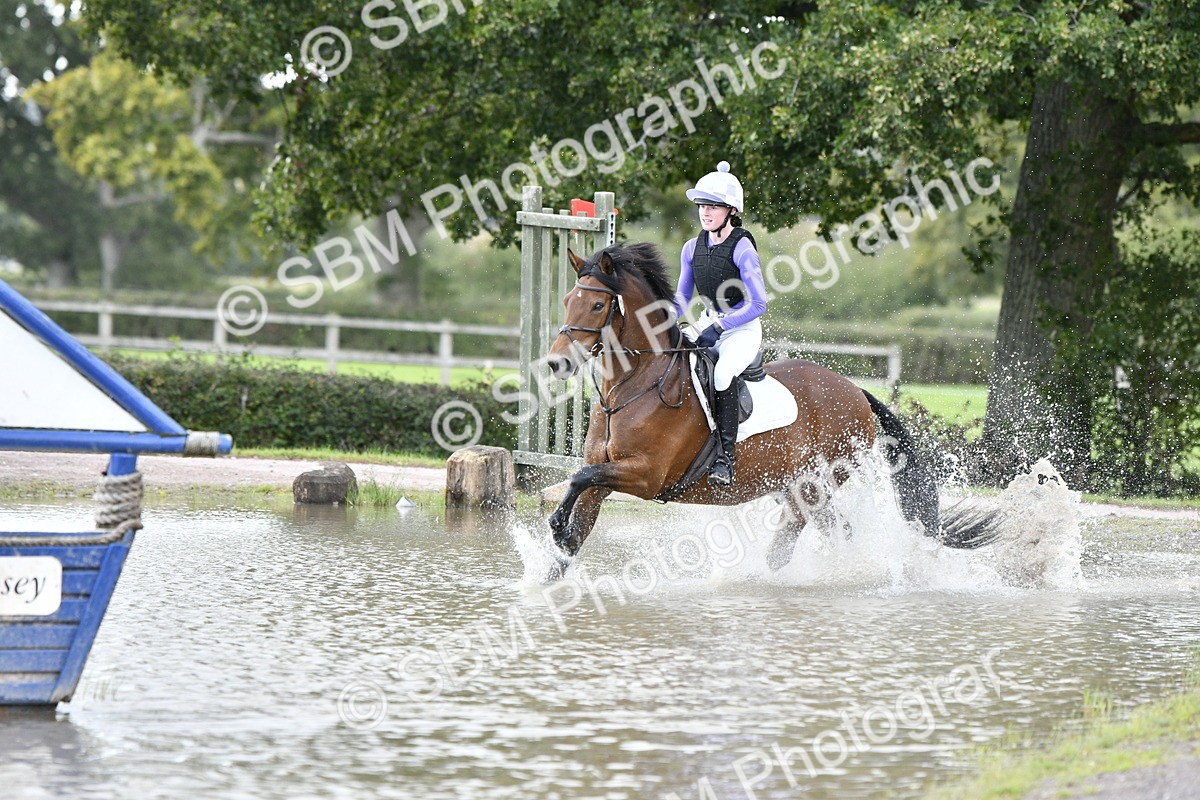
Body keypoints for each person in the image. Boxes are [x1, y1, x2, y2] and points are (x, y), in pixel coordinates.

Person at [673, 161, 768, 486]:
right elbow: (682, 299)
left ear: (731, 211)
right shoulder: (691, 248)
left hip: (741, 330)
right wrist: (660, 320)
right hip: (707, 323)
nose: (705, 212)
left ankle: (726, 460)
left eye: (713, 206)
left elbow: (759, 304)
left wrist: (721, 327)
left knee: (723, 374)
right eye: (702, 205)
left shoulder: (743, 248)